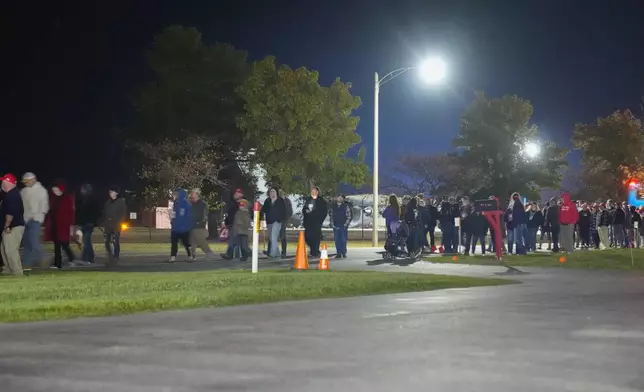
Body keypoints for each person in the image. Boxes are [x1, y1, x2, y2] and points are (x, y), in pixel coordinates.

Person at [44, 181, 77, 269]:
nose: (55, 192)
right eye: (53, 190)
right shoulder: (53, 199)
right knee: (57, 245)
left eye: (56, 190)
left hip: (64, 226)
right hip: (55, 226)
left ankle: (71, 258)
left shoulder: (67, 198)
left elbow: (71, 213)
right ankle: (57, 263)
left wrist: (71, 226)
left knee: (65, 244)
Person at [20, 172, 49, 268]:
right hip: (25, 220)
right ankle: (26, 264)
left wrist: (38, 215)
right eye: (25, 181)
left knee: (34, 242)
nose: (26, 183)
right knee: (27, 243)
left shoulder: (41, 190)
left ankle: (44, 259)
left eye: (27, 181)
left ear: (33, 180)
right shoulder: (23, 191)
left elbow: (44, 206)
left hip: (35, 220)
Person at [0, 174, 25, 276]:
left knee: (11, 250)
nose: (1, 184)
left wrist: (7, 225)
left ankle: (17, 272)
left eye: (3, 182)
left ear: (8, 182)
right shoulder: (10, 195)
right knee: (3, 248)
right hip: (11, 226)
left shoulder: (12, 195)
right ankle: (7, 269)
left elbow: (10, 213)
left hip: (13, 226)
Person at [101, 185, 127, 264]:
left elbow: (123, 214)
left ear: (116, 193)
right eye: (109, 192)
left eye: (111, 192)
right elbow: (105, 214)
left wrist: (119, 222)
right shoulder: (107, 203)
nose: (110, 193)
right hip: (108, 226)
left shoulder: (121, 202)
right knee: (107, 242)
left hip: (116, 226)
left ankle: (116, 257)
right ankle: (110, 256)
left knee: (115, 242)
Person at [75, 183, 101, 263]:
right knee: (87, 241)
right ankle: (89, 257)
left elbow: (95, 212)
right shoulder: (82, 199)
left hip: (89, 223)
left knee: (86, 240)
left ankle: (87, 257)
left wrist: (93, 221)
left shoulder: (92, 200)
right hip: (84, 223)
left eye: (82, 189)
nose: (81, 191)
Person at [188, 188, 215, 260]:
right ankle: (192, 255)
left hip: (199, 225)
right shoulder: (190, 203)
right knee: (192, 241)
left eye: (193, 193)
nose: (191, 194)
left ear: (197, 194)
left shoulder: (202, 204)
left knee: (201, 241)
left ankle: (209, 253)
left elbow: (205, 214)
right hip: (192, 225)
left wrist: (200, 221)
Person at [302, 186, 327, 257]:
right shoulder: (308, 200)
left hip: (316, 222)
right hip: (308, 222)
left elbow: (324, 212)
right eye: (312, 191)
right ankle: (312, 250)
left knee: (316, 237)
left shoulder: (321, 201)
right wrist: (305, 211)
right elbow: (304, 209)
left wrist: (319, 220)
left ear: (317, 192)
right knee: (307, 237)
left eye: (314, 191)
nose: (313, 192)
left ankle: (315, 251)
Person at [168, 189, 193, 262]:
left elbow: (188, 216)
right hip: (175, 228)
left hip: (184, 228)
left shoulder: (187, 204)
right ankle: (173, 256)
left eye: (177, 194)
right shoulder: (176, 203)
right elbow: (174, 213)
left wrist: (187, 225)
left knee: (187, 243)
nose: (176, 195)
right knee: (174, 243)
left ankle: (190, 255)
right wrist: (172, 220)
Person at [261, 188, 286, 258]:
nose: (272, 193)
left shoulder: (280, 201)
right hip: (269, 222)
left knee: (274, 237)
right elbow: (263, 210)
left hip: (277, 222)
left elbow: (283, 211)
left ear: (276, 192)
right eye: (271, 192)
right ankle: (277, 253)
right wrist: (261, 219)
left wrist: (279, 220)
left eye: (273, 191)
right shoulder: (267, 201)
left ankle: (273, 253)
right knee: (271, 238)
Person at [222, 189, 244, 259]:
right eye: (236, 193)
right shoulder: (232, 203)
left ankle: (230, 254)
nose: (236, 194)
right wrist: (226, 222)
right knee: (236, 240)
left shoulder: (242, 203)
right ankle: (236, 254)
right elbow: (229, 214)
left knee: (233, 239)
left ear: (241, 195)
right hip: (231, 223)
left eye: (238, 193)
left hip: (237, 224)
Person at [330, 194, 353, 259]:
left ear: (343, 199)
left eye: (341, 198)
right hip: (336, 225)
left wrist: (345, 224)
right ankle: (338, 253)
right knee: (337, 239)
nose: (339, 199)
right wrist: (333, 225)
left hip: (343, 225)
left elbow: (349, 216)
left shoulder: (346, 206)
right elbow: (331, 216)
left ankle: (344, 252)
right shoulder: (333, 207)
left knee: (343, 239)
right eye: (338, 197)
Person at [278, 189, 293, 257]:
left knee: (282, 235)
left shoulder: (287, 201)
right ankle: (271, 250)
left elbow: (290, 211)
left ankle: (284, 252)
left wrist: (286, 219)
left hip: (283, 220)